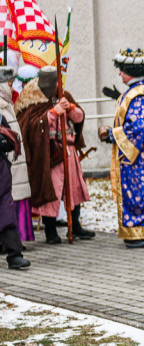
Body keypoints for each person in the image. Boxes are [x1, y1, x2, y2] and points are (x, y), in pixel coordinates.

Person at [14, 66, 94, 244]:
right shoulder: (33, 98)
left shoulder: (65, 95)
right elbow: (31, 124)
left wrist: (71, 108)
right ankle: (51, 230)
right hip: (49, 153)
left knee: (73, 188)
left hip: (69, 150)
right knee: (53, 190)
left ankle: (76, 226)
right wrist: (52, 113)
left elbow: (79, 118)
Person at [98, 48, 144, 248]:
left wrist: (110, 134)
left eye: (121, 70)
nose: (119, 73)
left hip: (138, 159)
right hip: (139, 158)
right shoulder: (138, 90)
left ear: (130, 70)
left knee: (140, 195)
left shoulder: (140, 93)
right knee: (141, 195)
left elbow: (139, 129)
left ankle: (143, 234)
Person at [0, 66, 32, 243]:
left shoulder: (7, 103)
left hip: (12, 162)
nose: (13, 89)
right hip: (6, 163)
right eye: (9, 84)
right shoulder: (1, 104)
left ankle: (13, 242)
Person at [0, 107, 29, 269]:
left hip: (1, 176)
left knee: (7, 214)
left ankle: (15, 255)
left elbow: (11, 140)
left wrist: (4, 141)